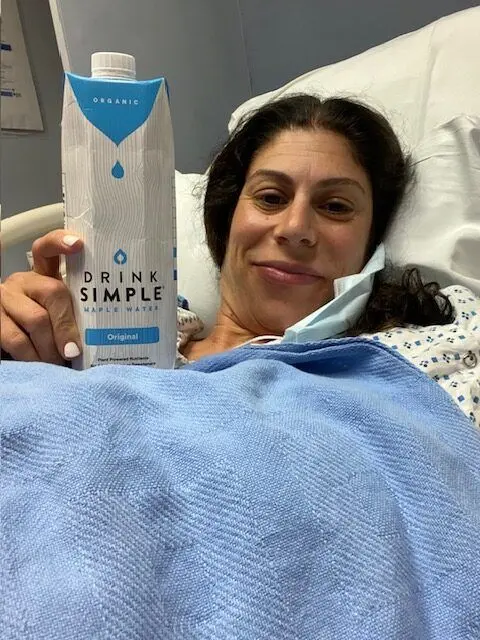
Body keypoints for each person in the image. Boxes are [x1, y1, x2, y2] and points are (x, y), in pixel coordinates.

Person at [1, 95, 478, 424]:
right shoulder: (124, 325)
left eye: (335, 206)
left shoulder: (433, 351)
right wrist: (25, 338)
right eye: (271, 197)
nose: (294, 229)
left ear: (372, 242)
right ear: (228, 218)